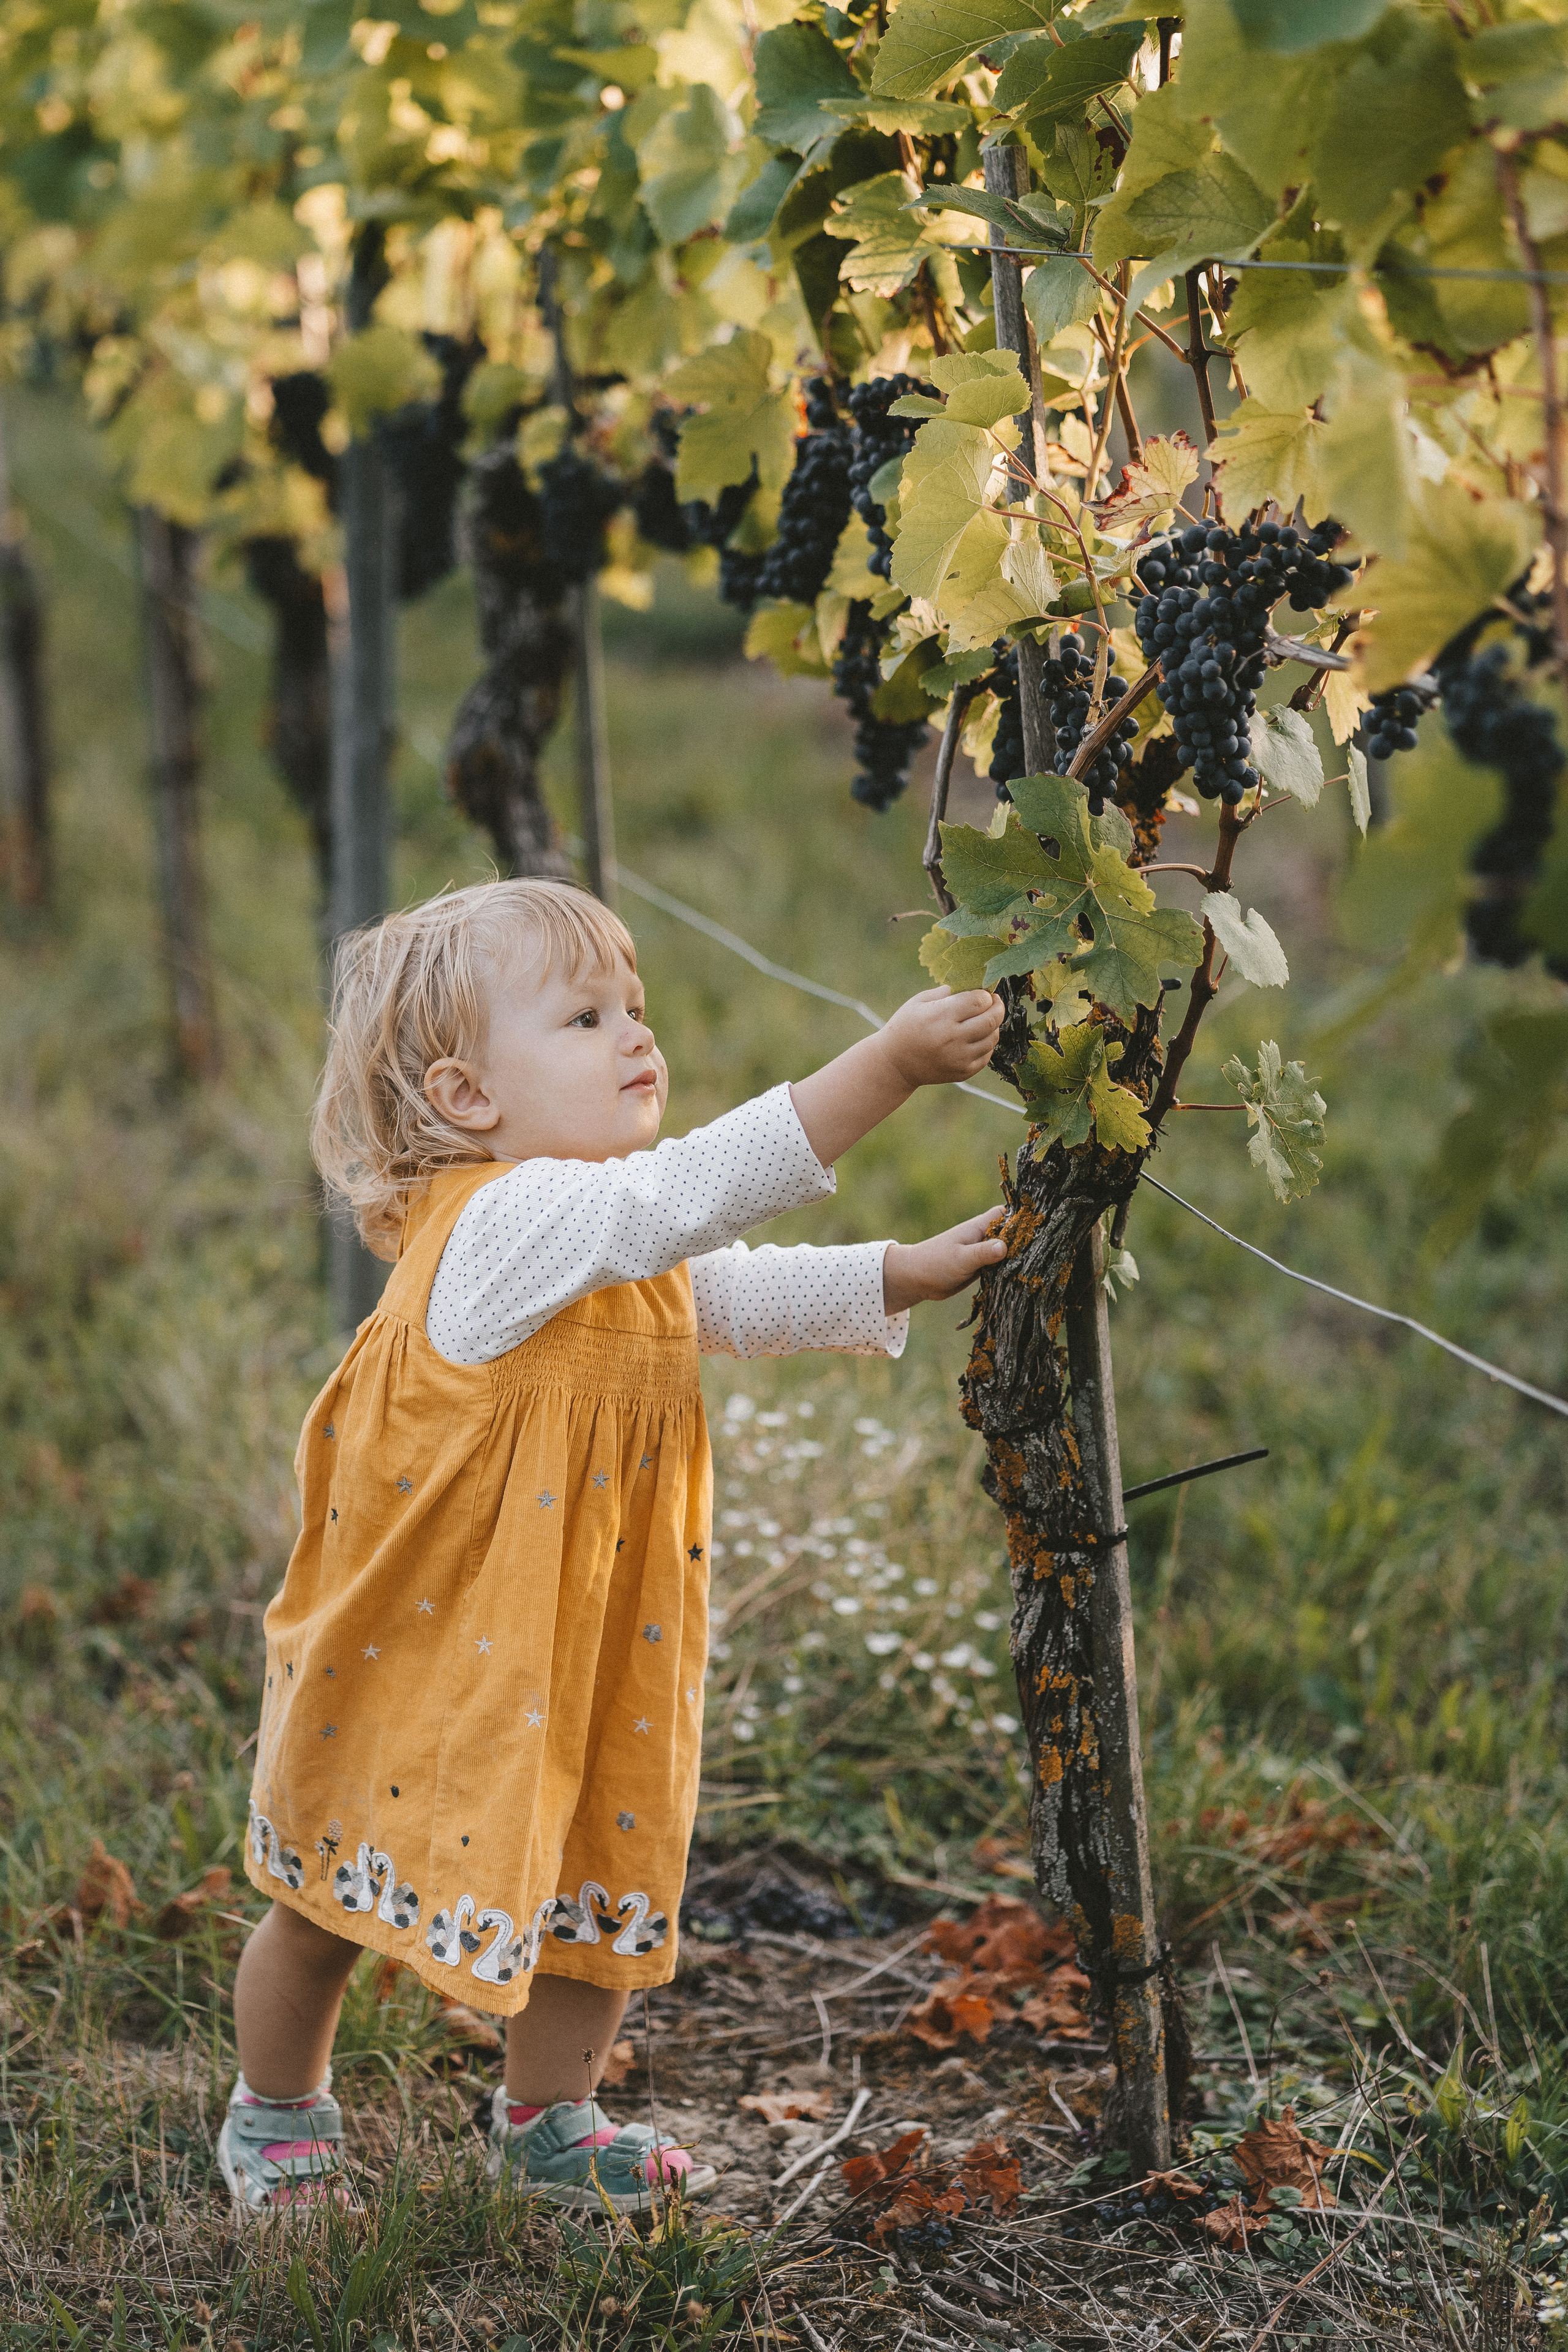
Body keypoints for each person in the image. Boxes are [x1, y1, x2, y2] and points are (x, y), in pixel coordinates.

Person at [220, 878, 1005, 2219]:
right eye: (584, 1018)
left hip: (577, 1631)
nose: (636, 1033)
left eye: (633, 1006)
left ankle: (553, 2124)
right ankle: (277, 2112)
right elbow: (691, 1198)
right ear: (467, 1097)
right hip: (429, 1641)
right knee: (331, 1898)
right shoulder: (505, 1224)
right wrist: (886, 1065)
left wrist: (891, 1273)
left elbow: (714, 1295)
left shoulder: (594, 1235)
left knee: (599, 1858)